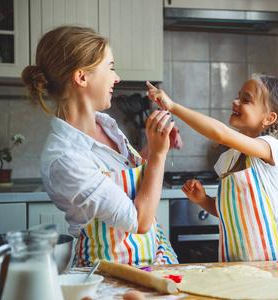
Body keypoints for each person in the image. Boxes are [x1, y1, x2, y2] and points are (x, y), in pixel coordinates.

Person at [21, 26, 179, 267]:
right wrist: (158, 155)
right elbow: (139, 221)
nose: (117, 78)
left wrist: (155, 143)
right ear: (82, 77)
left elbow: (129, 179)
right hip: (109, 275)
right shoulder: (65, 158)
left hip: (154, 259)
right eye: (111, 67)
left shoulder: (105, 124)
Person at [146, 74, 278, 262]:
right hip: (231, 260)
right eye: (238, 96)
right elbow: (229, 211)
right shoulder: (231, 157)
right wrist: (203, 200)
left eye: (246, 99)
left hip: (267, 260)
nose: (235, 102)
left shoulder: (270, 147)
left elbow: (221, 134)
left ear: (269, 118)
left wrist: (173, 107)